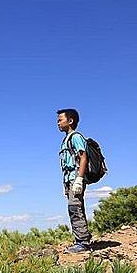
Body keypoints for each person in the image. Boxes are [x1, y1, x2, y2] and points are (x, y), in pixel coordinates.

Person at [57, 108, 92, 253]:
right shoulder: (66, 139)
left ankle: (82, 243)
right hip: (69, 180)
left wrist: (79, 179)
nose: (58, 123)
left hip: (75, 178)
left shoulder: (75, 137)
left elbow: (83, 157)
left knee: (75, 208)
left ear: (70, 121)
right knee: (74, 208)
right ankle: (81, 239)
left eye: (60, 120)